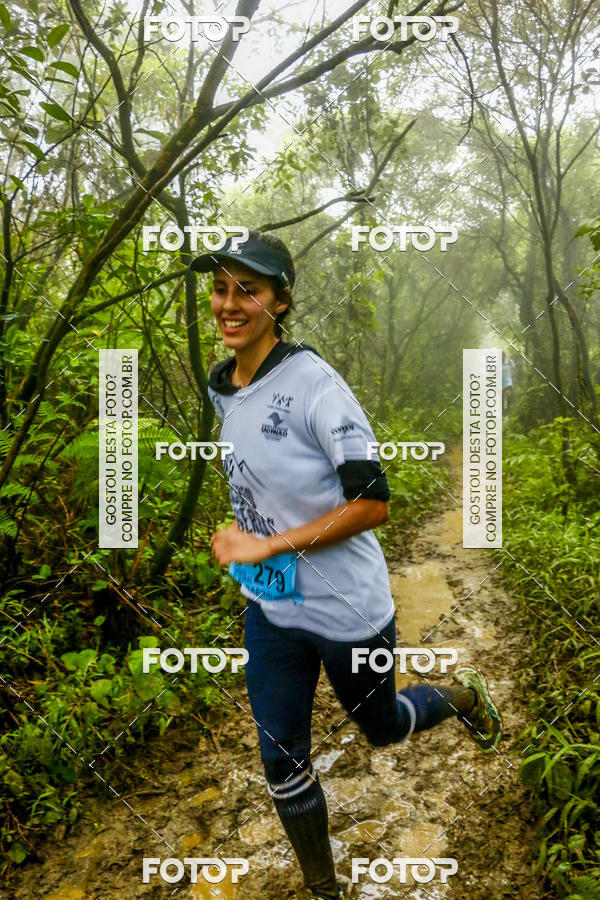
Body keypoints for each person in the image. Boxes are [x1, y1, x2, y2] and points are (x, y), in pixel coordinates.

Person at [192, 231, 502, 900]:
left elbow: (373, 503)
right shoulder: (222, 385)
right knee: (281, 758)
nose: (229, 304)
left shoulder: (316, 385)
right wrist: (247, 534)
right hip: (272, 607)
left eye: (248, 290)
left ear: (280, 301)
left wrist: (268, 544)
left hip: (349, 609)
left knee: (381, 728)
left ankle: (463, 696)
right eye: (219, 289)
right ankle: (323, 889)